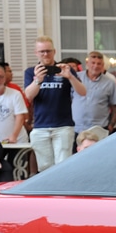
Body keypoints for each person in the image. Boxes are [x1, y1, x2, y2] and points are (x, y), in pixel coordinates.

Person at [24, 36, 87, 171]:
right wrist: (38, 80)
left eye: (48, 51)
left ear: (54, 52)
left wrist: (70, 76)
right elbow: (28, 96)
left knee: (63, 165)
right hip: (41, 125)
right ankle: (48, 192)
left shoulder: (65, 69)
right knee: (44, 167)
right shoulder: (31, 72)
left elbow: (83, 92)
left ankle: (62, 192)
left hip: (63, 125)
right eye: (42, 51)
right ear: (36, 53)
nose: (45, 54)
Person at [71, 51, 116, 135]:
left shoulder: (110, 83)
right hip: (76, 128)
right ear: (87, 63)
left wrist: (111, 126)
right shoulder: (75, 78)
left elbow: (115, 107)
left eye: (99, 64)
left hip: (99, 129)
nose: (95, 66)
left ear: (102, 65)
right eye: (93, 63)